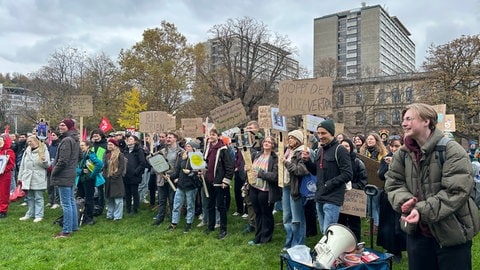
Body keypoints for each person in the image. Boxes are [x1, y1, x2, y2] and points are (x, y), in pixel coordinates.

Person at [385, 103, 480, 270]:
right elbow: (393, 183)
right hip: (418, 235)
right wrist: (405, 201)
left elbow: (456, 192)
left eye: (409, 119)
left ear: (426, 121)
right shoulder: (402, 153)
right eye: (403, 119)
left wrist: (420, 210)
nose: (403, 123)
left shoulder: (452, 150)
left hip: (451, 234)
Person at [304, 119, 353, 234]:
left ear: (331, 133)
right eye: (319, 133)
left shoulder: (340, 150)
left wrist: (329, 184)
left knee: (329, 231)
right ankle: (326, 251)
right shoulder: (320, 150)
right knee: (324, 231)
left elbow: (348, 174)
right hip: (320, 195)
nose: (320, 136)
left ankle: (330, 251)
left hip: (333, 197)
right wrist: (306, 161)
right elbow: (316, 171)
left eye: (324, 133)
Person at [377, 134, 406, 263]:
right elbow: (381, 176)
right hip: (388, 195)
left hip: (401, 195)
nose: (394, 149)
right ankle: (390, 249)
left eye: (397, 146)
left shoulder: (406, 158)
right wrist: (388, 165)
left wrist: (394, 165)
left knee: (399, 225)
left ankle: (400, 249)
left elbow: (404, 176)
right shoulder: (386, 158)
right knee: (387, 224)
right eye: (392, 146)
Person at [51, 118, 81, 238]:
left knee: (66, 203)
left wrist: (54, 171)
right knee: (71, 201)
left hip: (64, 174)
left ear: (69, 126)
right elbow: (80, 155)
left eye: (63, 125)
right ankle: (74, 226)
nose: (60, 127)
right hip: (71, 173)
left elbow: (62, 160)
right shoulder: (75, 139)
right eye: (60, 125)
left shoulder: (67, 140)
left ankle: (66, 230)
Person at [280, 129, 310, 249]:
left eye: (292, 137)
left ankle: (298, 244)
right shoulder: (288, 151)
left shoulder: (301, 152)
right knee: (287, 217)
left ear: (298, 140)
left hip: (295, 188)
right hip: (287, 187)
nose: (289, 139)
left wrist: (286, 163)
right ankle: (290, 241)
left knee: (297, 219)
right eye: (289, 137)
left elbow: (300, 170)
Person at [202, 128, 234, 240]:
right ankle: (211, 226)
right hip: (209, 181)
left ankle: (223, 229)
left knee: (221, 206)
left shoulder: (223, 149)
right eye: (210, 135)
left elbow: (230, 166)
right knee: (210, 205)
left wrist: (226, 180)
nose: (211, 136)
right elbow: (206, 163)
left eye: (213, 135)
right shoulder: (208, 148)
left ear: (218, 136)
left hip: (219, 182)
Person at [248, 136, 280, 245]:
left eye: (269, 142)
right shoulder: (257, 155)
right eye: (265, 141)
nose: (266, 143)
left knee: (266, 213)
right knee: (257, 213)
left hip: (266, 190)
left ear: (273, 145)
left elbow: (275, 176)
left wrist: (260, 174)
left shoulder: (275, 158)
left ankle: (266, 237)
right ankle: (257, 236)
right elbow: (250, 168)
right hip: (254, 187)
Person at [337, 138, 367, 242]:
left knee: (354, 222)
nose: (344, 148)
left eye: (347, 146)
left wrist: (352, 186)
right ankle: (342, 243)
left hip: (354, 196)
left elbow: (363, 180)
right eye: (342, 146)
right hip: (340, 195)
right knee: (341, 221)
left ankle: (356, 242)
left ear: (351, 148)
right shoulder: (336, 161)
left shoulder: (358, 162)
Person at [167, 140, 201, 233]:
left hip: (191, 186)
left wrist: (190, 172)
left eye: (189, 146)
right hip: (181, 185)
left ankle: (188, 223)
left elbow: (199, 172)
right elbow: (177, 170)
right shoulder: (182, 157)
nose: (187, 148)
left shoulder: (197, 157)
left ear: (194, 148)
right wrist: (170, 176)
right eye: (187, 146)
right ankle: (174, 222)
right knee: (176, 205)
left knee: (190, 205)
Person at [359, 132, 388, 233]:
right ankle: (375, 225)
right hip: (367, 182)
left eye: (372, 139)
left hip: (377, 182)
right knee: (370, 205)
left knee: (374, 205)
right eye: (368, 139)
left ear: (377, 141)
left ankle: (376, 226)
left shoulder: (382, 153)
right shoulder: (363, 152)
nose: (369, 141)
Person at [18, 135, 50, 222]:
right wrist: (20, 177)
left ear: (36, 141)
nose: (29, 143)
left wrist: (44, 160)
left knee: (38, 197)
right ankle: (30, 213)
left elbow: (47, 165)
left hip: (38, 177)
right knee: (29, 197)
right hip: (27, 177)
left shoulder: (43, 149)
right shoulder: (27, 151)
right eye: (28, 141)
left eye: (30, 141)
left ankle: (39, 215)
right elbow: (22, 164)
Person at [152, 132, 183, 225]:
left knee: (172, 199)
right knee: (161, 200)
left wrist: (176, 176)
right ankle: (160, 218)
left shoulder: (181, 152)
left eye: (170, 137)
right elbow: (155, 162)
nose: (168, 139)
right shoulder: (162, 151)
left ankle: (173, 218)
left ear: (175, 139)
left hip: (173, 179)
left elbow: (182, 166)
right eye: (168, 137)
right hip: (162, 178)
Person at [77, 140, 104, 225]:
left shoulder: (90, 155)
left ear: (88, 146)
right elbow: (75, 167)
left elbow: (99, 164)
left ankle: (89, 218)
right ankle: (80, 215)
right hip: (80, 180)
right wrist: (80, 171)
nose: (81, 147)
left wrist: (92, 175)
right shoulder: (79, 155)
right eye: (80, 145)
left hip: (88, 180)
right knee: (79, 199)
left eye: (83, 145)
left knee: (89, 199)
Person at [123, 134, 146, 215]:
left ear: (135, 141)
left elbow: (142, 163)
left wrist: (136, 171)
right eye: (128, 139)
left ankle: (135, 208)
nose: (129, 140)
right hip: (126, 175)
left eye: (131, 139)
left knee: (134, 192)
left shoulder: (139, 150)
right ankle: (128, 208)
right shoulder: (125, 150)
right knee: (127, 193)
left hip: (134, 176)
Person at [104, 138, 126, 221]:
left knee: (118, 199)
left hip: (116, 179)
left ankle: (117, 216)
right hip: (108, 179)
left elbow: (121, 167)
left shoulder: (120, 155)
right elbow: (105, 166)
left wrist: (115, 175)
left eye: (111, 144)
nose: (109, 146)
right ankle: (109, 214)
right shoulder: (107, 155)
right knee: (109, 198)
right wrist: (105, 175)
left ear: (115, 145)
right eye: (108, 144)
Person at [0, 134, 16, 218]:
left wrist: (3, 170)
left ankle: (2, 210)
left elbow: (11, 165)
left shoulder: (9, 151)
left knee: (3, 193)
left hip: (4, 175)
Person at [47, 131, 61, 209]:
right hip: (49, 168)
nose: (52, 136)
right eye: (51, 135)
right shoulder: (50, 146)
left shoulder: (59, 146)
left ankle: (57, 201)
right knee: (50, 185)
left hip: (56, 168)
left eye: (54, 135)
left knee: (56, 186)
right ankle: (50, 200)